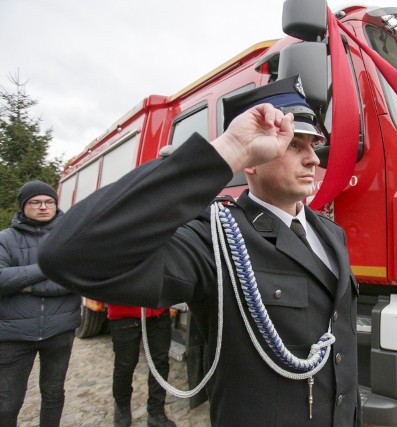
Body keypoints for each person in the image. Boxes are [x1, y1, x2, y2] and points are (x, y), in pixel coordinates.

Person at [39, 76, 361, 426]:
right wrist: (230, 150)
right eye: (294, 146)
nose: (314, 159)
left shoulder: (331, 234)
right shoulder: (217, 238)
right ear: (251, 159)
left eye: (313, 146)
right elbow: (68, 256)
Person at [0, 180, 81, 427]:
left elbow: (80, 279)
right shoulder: (5, 238)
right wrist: (47, 268)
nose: (43, 207)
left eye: (49, 202)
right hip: (14, 335)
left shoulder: (71, 237)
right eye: (35, 202)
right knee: (7, 402)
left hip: (60, 332)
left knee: (54, 395)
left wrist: (24, 285)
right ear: (23, 206)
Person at [108, 305, 176, 427]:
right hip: (124, 313)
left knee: (160, 363)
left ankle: (156, 412)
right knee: (125, 366)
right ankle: (122, 407)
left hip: (158, 310)